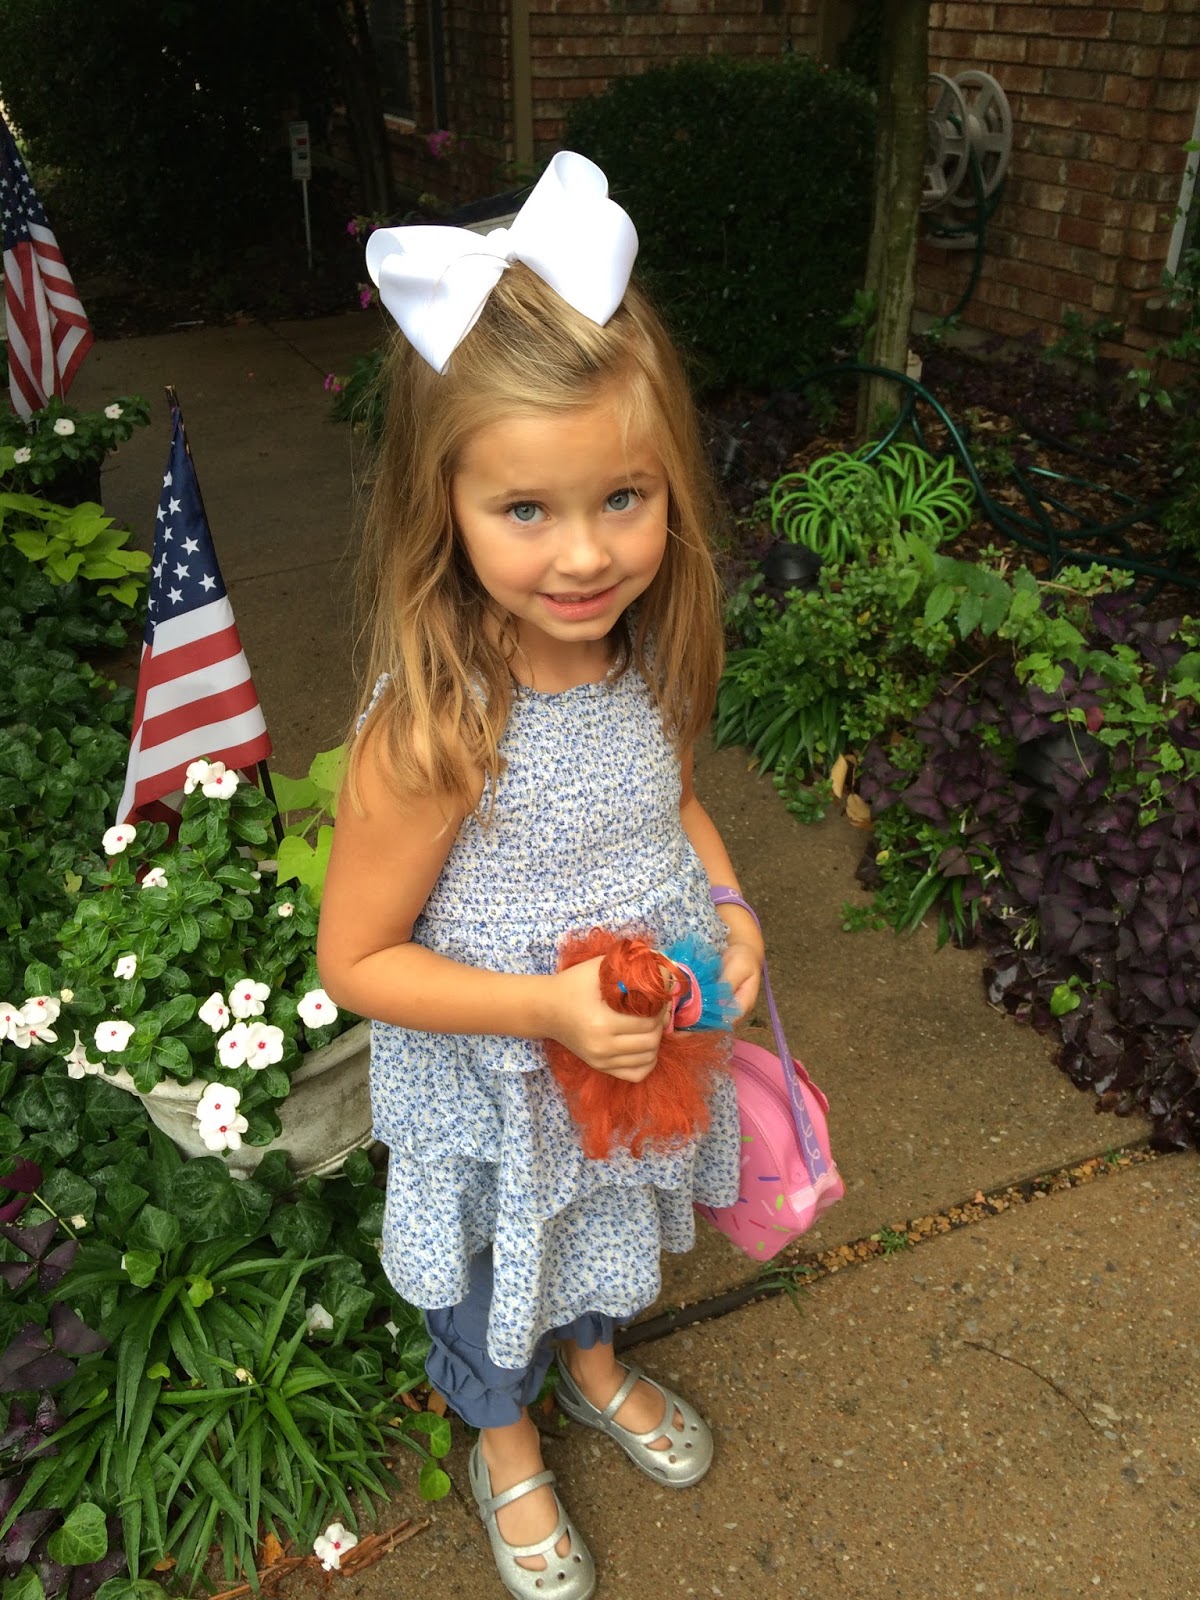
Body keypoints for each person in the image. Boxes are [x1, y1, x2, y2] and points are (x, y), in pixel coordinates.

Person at [317, 152, 764, 1600]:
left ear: (671, 480)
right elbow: (357, 961)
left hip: (623, 1060)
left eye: (624, 497)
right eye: (526, 510)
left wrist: (731, 906)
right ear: (441, 503)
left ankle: (595, 1363)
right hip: (496, 1094)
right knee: (492, 1273)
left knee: (599, 1230)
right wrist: (544, 1013)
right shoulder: (435, 726)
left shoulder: (641, 655)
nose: (584, 555)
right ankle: (502, 1437)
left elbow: (673, 805)